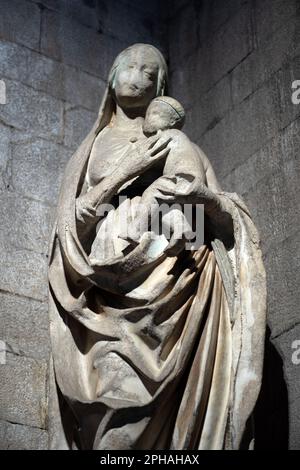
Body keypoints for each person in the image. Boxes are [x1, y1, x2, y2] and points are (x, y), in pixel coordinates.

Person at [48, 43, 266, 450]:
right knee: (112, 422)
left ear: (160, 89)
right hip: (106, 287)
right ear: (111, 79)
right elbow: (71, 225)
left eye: (149, 72)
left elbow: (218, 220)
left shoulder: (182, 145)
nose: (137, 76)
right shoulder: (89, 152)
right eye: (128, 67)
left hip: (175, 283)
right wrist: (122, 174)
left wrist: (204, 200)